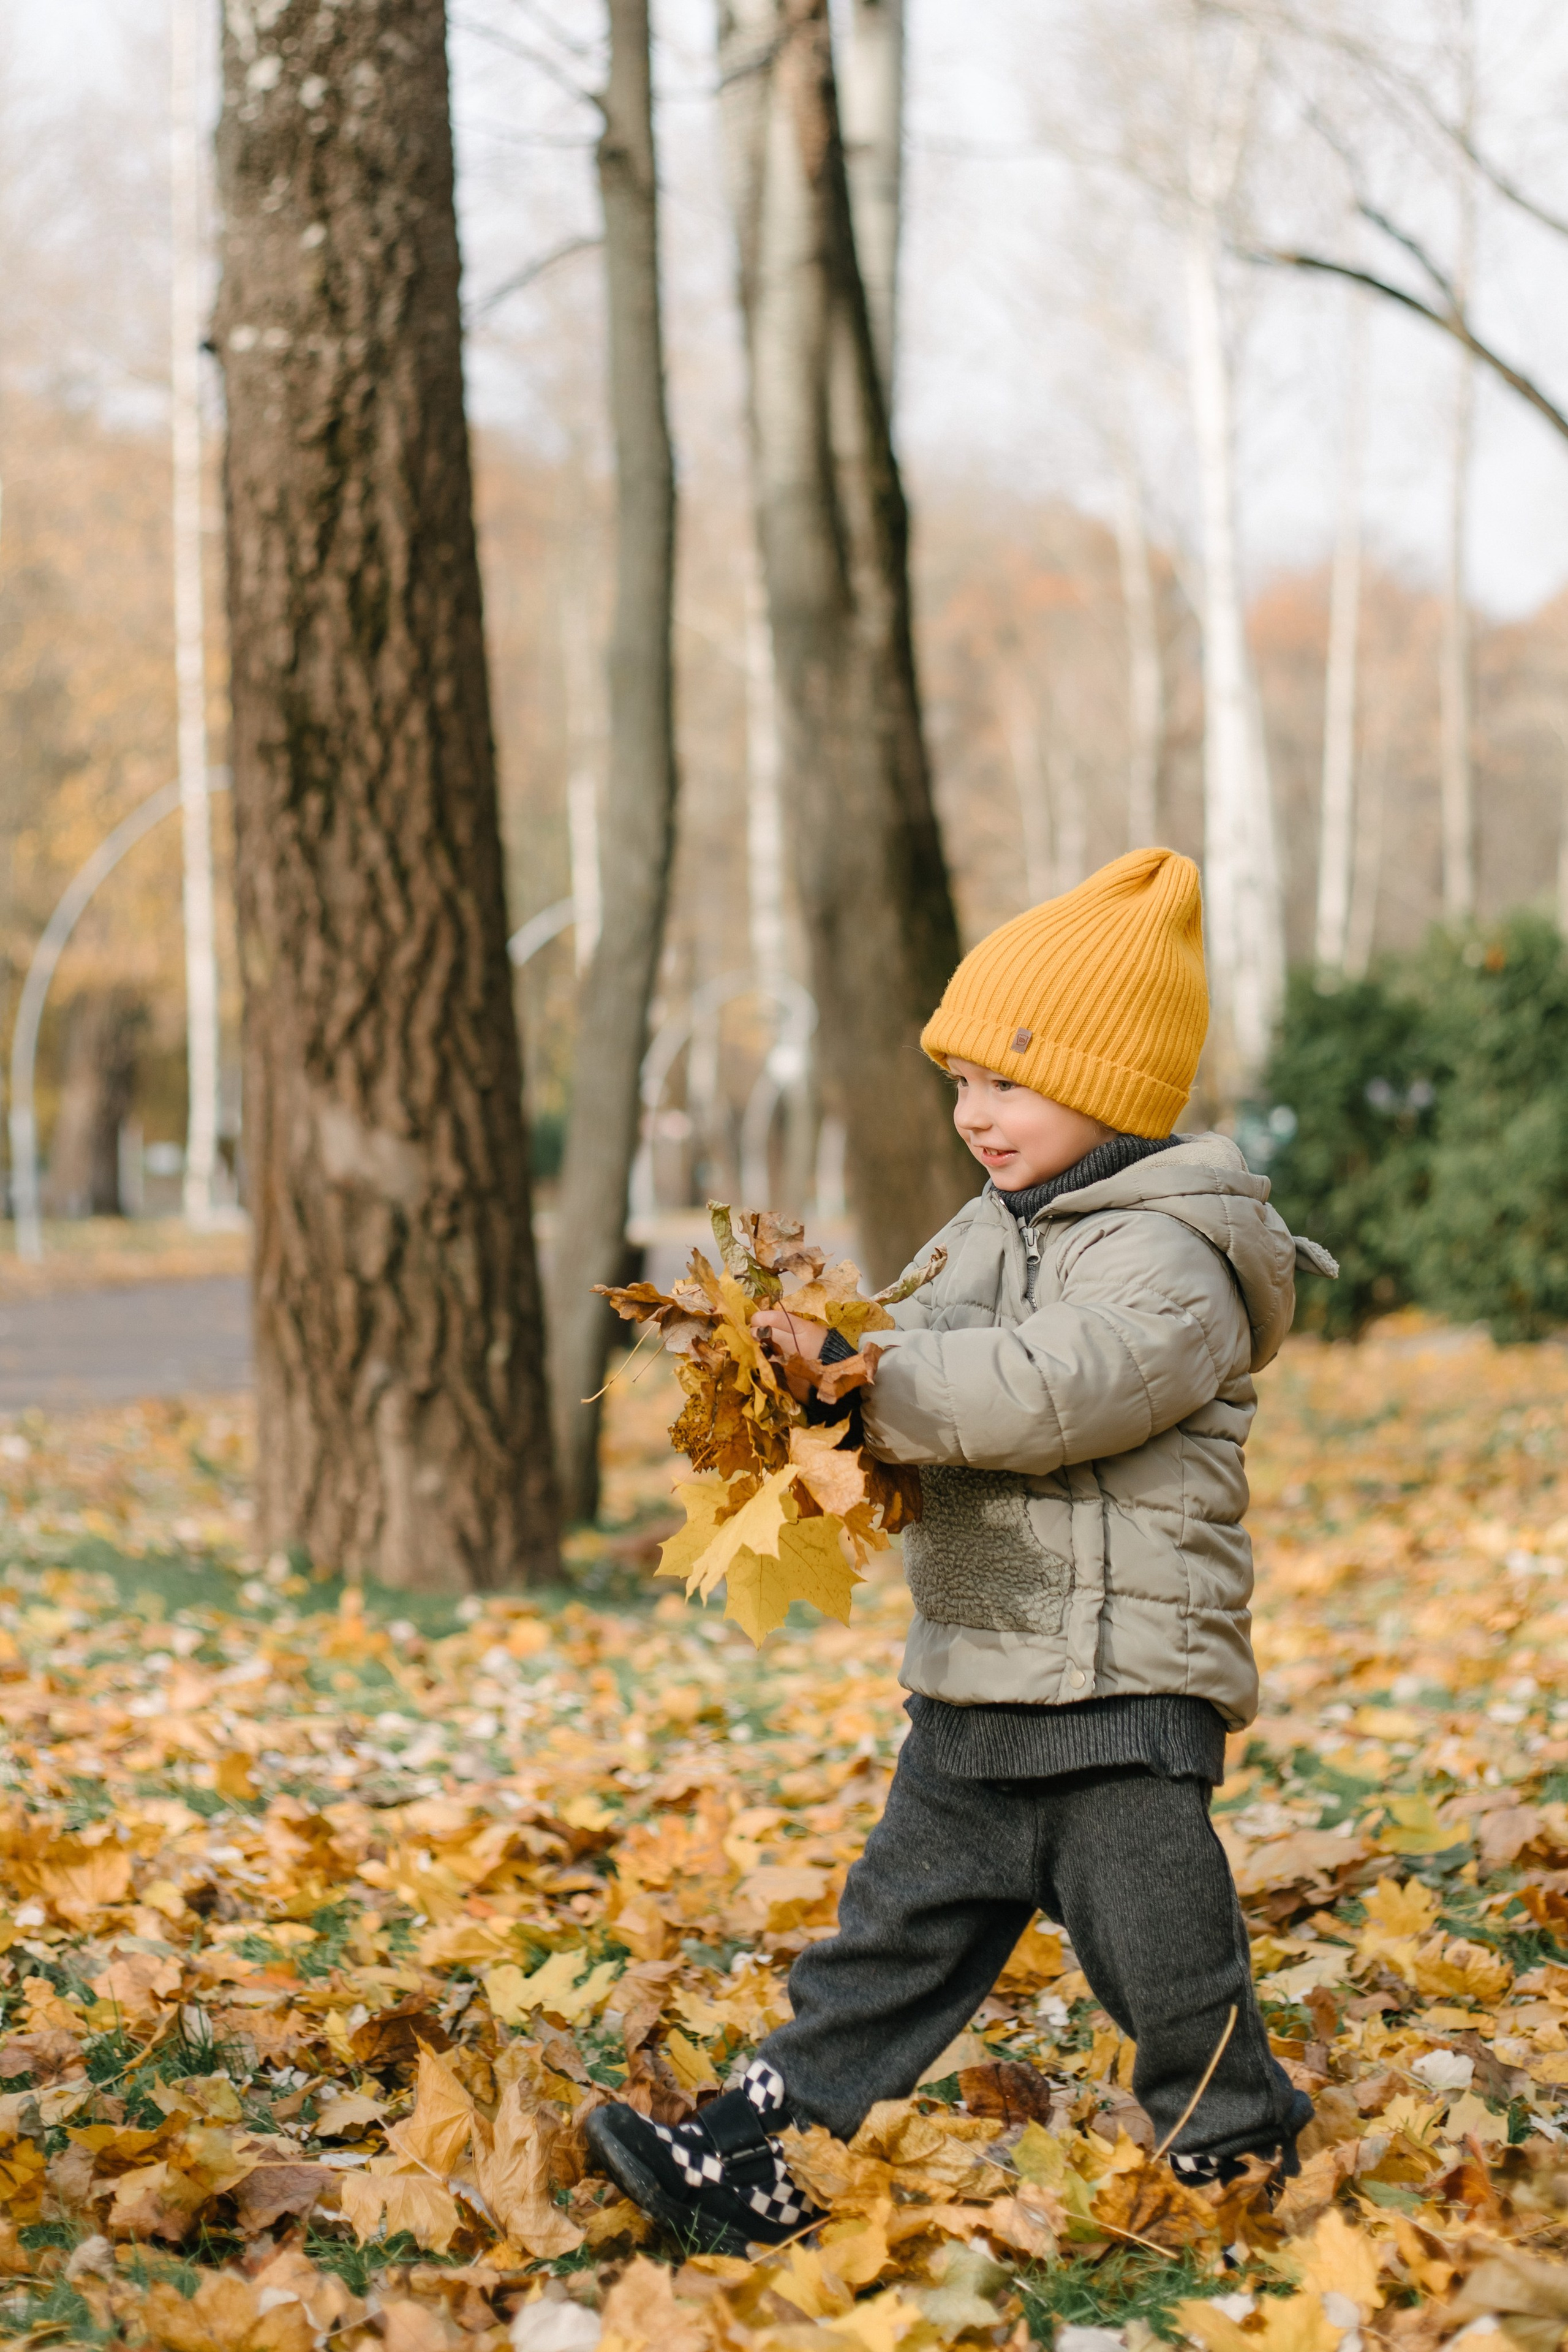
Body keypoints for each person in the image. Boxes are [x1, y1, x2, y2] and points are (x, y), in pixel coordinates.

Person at [586, 846, 1333, 2256]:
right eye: (960, 1082)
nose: (970, 1113)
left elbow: (1054, 1387)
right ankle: (751, 2149)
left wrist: (877, 1390)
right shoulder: (985, 1232)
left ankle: (1229, 2145)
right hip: (979, 1679)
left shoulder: (1173, 1258)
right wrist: (817, 1368)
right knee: (880, 1951)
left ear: (1108, 1088)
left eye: (1006, 1081)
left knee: (1169, 1968)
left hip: (1119, 1695)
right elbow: (909, 1335)